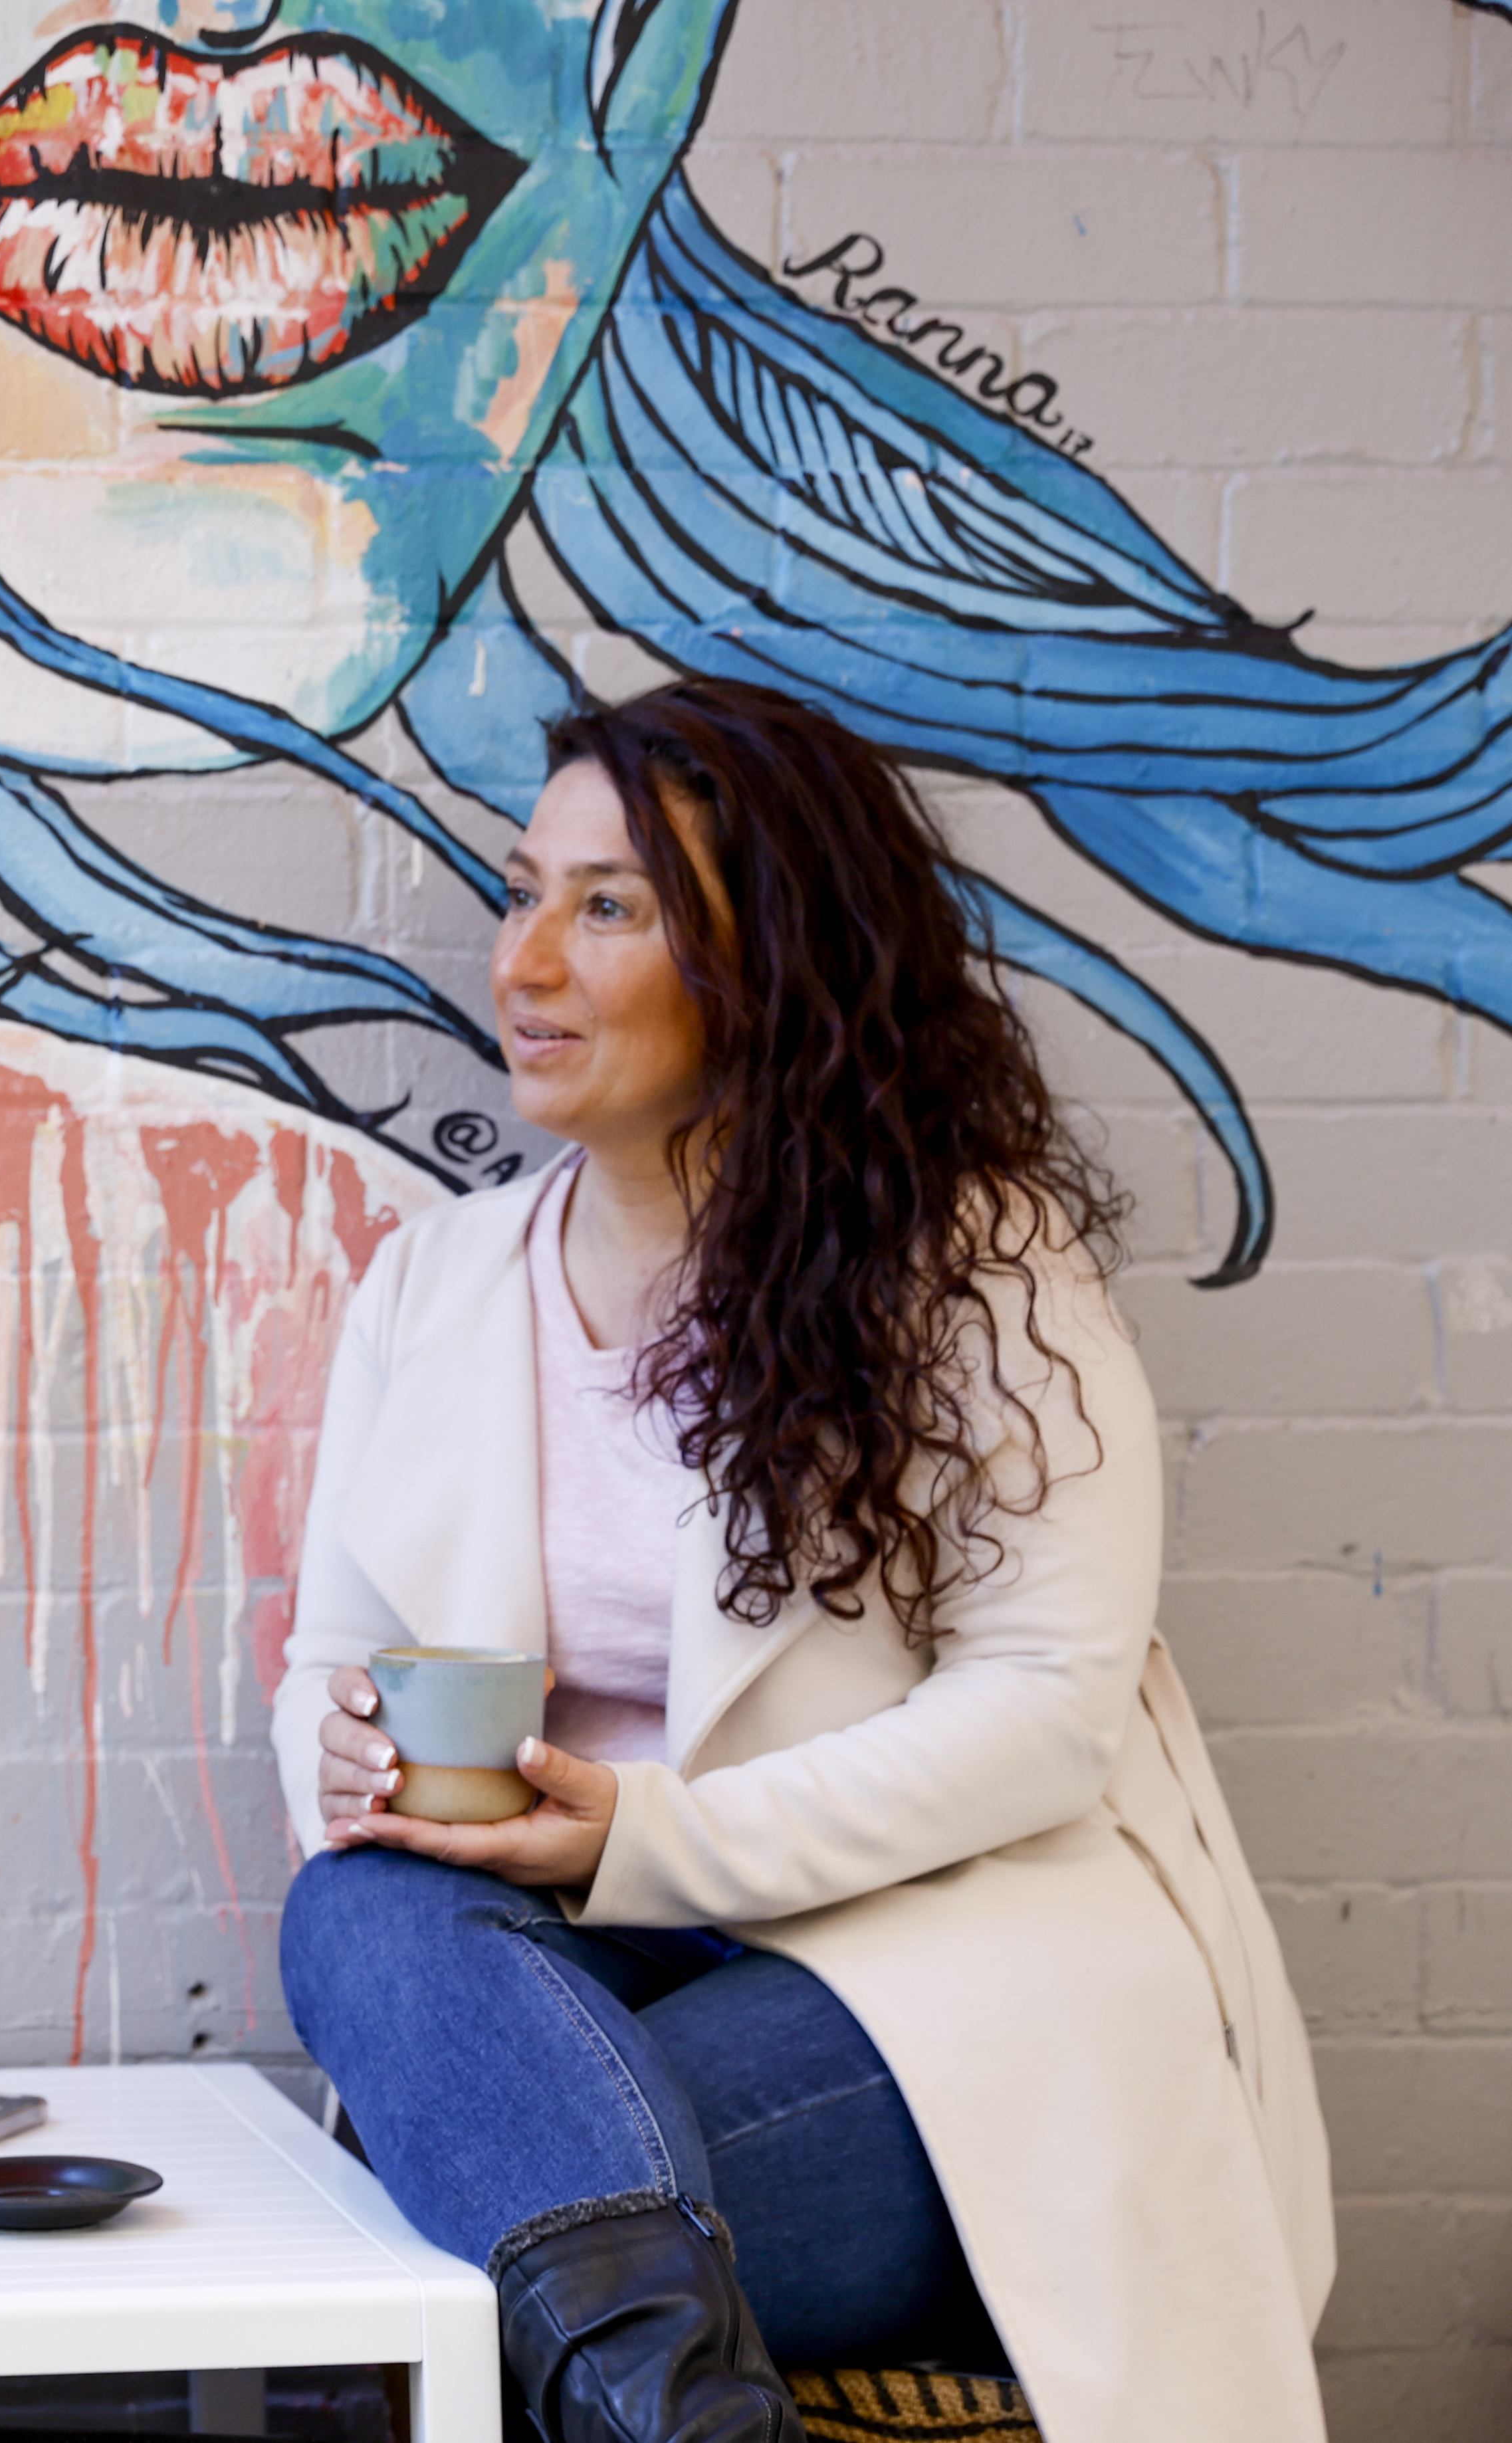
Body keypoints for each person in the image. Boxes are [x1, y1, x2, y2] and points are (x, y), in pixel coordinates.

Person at [269, 681, 1330, 2443]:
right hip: (558, 1971)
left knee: (474, 2214)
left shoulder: (973, 1269)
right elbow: (336, 1653)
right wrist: (352, 1753)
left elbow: (1044, 1716)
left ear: (769, 955)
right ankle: (683, 2413)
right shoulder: (434, 1282)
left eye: (607, 906)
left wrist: (649, 1832)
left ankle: (634, 2370)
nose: (523, 959)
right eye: (522, 886)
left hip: (921, 1993)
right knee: (355, 1910)